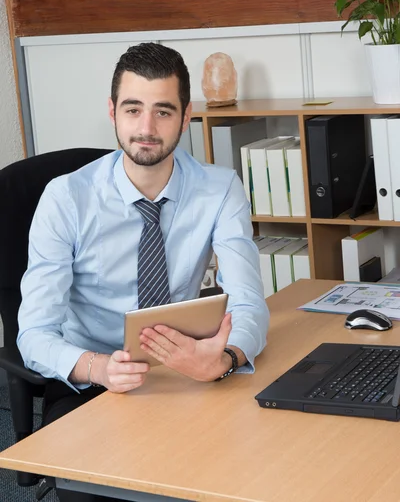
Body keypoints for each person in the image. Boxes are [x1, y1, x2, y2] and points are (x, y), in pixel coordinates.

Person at [17, 42, 269, 502]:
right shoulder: (66, 198)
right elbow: (33, 334)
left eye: (163, 112)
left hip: (185, 373)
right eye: (133, 109)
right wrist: (98, 369)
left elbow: (249, 302)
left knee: (254, 469)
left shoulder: (220, 189)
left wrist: (225, 357)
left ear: (186, 115)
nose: (146, 129)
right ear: (112, 111)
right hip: (91, 385)